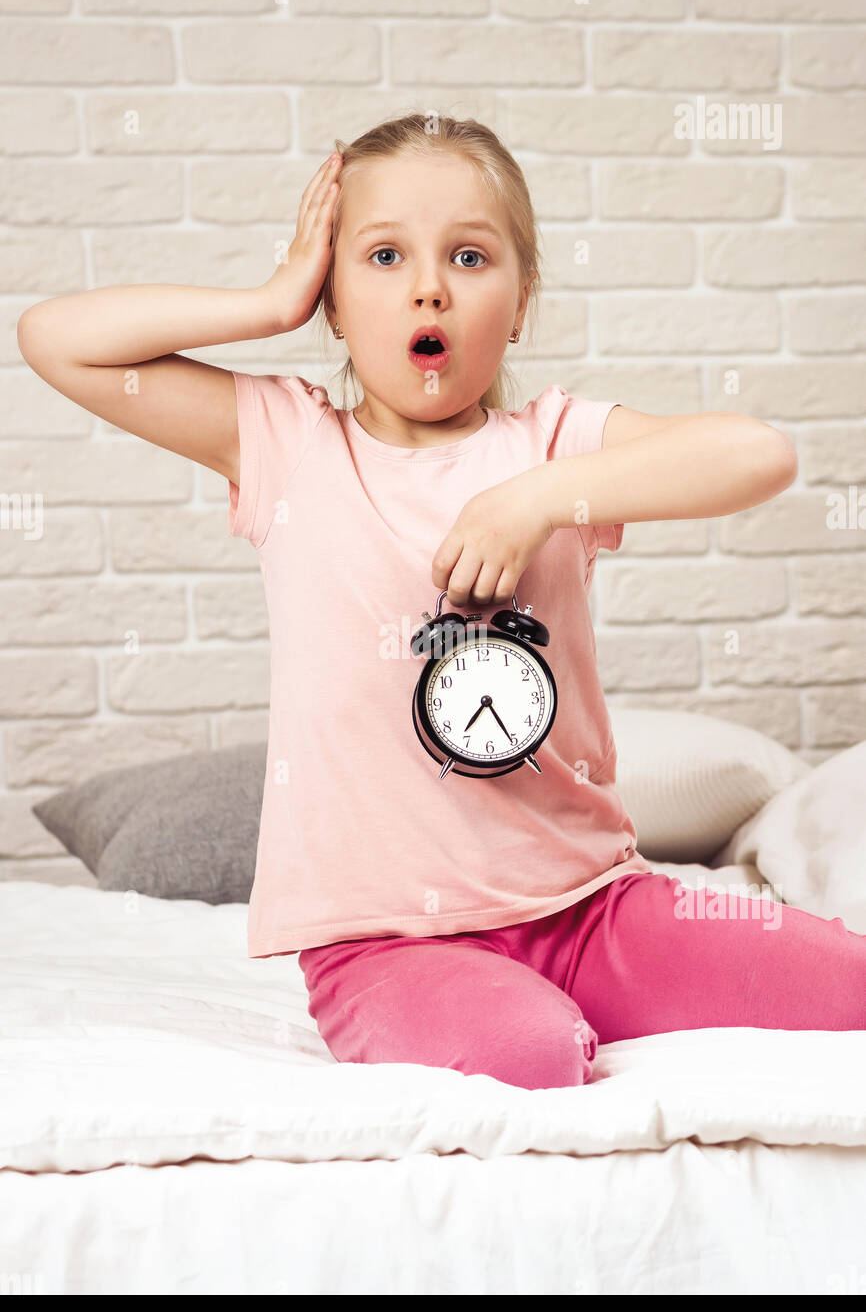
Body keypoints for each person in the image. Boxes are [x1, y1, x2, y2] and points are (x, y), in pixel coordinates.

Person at [18, 113, 865, 1092]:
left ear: (519, 303)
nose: (427, 285)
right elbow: (56, 340)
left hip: (589, 910)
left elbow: (757, 452)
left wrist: (536, 498)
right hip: (384, 942)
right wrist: (267, 299)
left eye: (468, 255)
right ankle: (503, 1009)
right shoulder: (286, 443)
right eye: (381, 256)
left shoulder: (552, 449)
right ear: (332, 303)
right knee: (528, 1053)